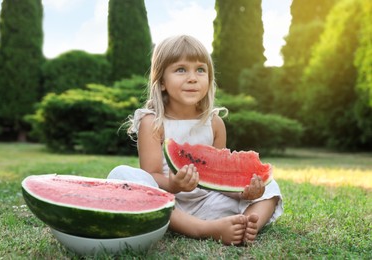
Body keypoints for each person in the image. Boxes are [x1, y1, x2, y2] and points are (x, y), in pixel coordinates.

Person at [108, 35, 283, 245]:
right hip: (167, 204)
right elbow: (151, 175)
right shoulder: (152, 122)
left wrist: (244, 193)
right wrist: (173, 184)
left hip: (209, 203)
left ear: (209, 79)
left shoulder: (214, 123)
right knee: (121, 175)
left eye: (200, 69)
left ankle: (247, 224)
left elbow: (219, 180)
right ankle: (204, 229)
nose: (192, 77)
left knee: (270, 186)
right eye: (181, 69)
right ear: (162, 81)